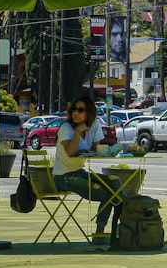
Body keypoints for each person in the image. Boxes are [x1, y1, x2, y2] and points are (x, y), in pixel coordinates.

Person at [53, 96, 123, 239]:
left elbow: (94, 150)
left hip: (79, 172)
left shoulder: (94, 125)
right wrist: (78, 132)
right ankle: (103, 231)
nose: (76, 113)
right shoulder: (66, 127)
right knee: (107, 194)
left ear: (89, 112)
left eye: (81, 110)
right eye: (74, 110)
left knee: (114, 182)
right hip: (63, 177)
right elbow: (70, 152)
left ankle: (123, 222)